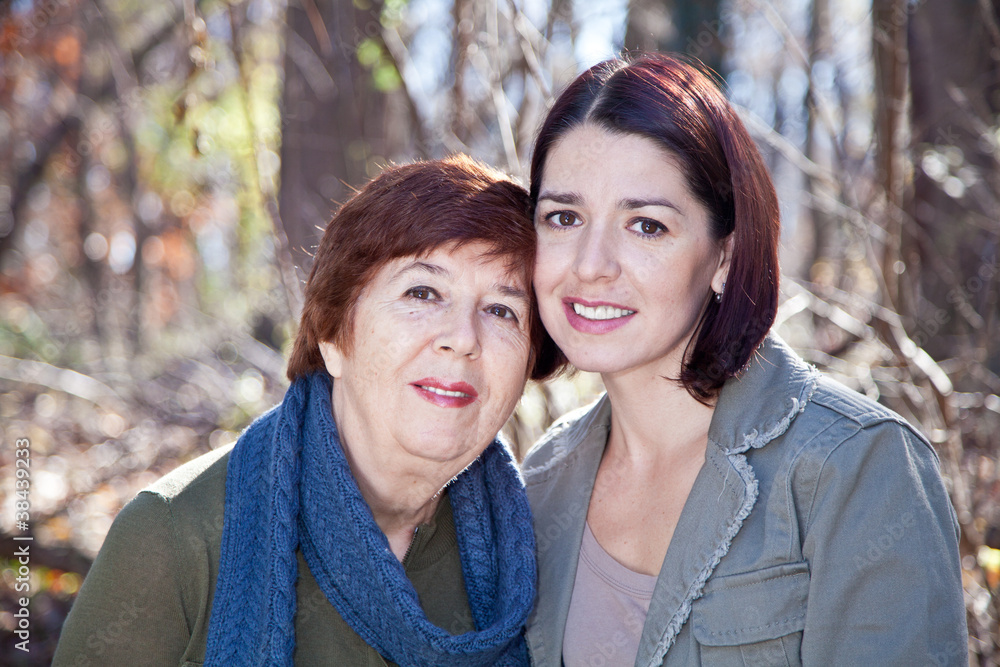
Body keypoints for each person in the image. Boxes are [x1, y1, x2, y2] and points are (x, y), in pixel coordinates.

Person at [522, 53, 967, 666]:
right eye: (563, 217)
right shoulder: (544, 479)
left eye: (646, 226)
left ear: (725, 257)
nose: (591, 264)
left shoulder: (858, 467)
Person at [54, 155, 561, 666]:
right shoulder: (171, 536)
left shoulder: (535, 544)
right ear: (333, 335)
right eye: (423, 292)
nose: (463, 339)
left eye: (502, 310)